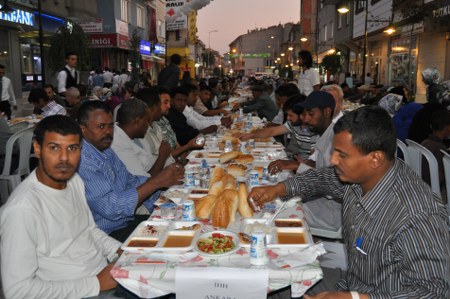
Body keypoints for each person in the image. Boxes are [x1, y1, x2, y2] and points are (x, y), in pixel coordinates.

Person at [250, 106, 450, 299]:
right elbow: (323, 178)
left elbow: (435, 291)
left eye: (342, 155)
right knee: (262, 280)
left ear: (375, 158)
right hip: (350, 283)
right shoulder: (361, 177)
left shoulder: (418, 216)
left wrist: (356, 297)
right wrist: (279, 189)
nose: (333, 160)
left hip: (367, 294)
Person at [0, 115, 122, 298]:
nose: (64, 158)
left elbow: (89, 230)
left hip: (103, 273)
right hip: (80, 291)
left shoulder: (73, 180)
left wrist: (119, 250)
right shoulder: (22, 210)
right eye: (54, 148)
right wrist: (95, 284)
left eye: (72, 148)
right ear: (37, 148)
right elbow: (18, 291)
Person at [77, 101, 184, 241]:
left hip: (127, 222)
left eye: (110, 126)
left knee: (180, 224)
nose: (108, 132)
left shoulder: (105, 149)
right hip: (107, 234)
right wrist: (156, 182)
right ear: (83, 129)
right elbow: (112, 209)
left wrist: (166, 195)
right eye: (101, 126)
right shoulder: (83, 160)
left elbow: (130, 180)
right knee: (173, 239)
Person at [238, 94, 317, 160]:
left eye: (290, 115)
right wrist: (250, 135)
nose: (288, 118)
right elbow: (271, 131)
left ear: (302, 114)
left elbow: (315, 160)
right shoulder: (294, 124)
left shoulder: (314, 130)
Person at [421, 109, 450, 203]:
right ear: (448, 129)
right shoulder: (440, 148)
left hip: (422, 187)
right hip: (436, 193)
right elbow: (439, 177)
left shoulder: (425, 142)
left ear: (431, 126)